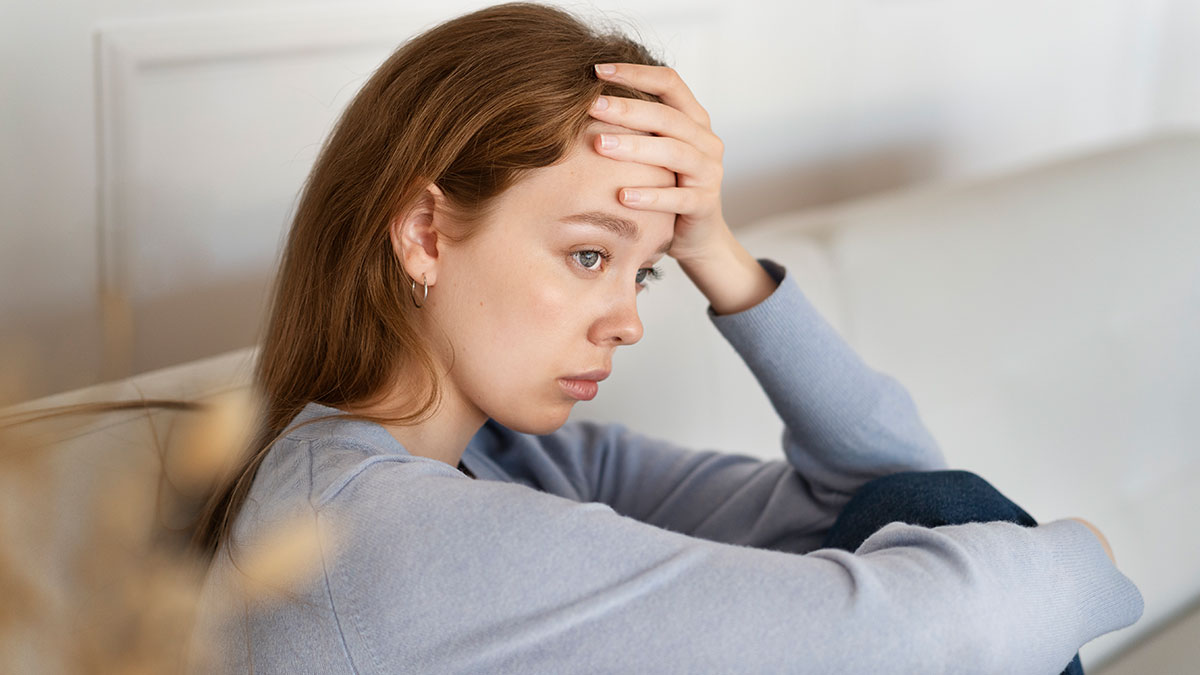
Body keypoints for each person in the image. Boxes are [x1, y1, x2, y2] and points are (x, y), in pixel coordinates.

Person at [187, 3, 1143, 673]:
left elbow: (889, 489)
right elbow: (953, 634)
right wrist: (1085, 551)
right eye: (590, 256)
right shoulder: (367, 531)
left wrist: (716, 250)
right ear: (425, 232)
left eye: (644, 270)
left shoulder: (523, 460)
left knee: (934, 506)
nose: (630, 320)